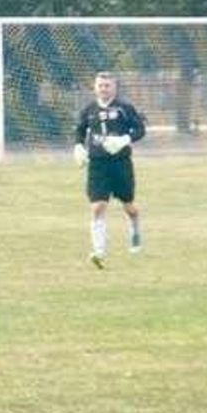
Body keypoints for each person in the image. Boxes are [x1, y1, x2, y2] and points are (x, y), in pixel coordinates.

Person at [73, 71, 146, 269]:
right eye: (100, 85)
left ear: (114, 87)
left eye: (107, 85)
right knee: (97, 207)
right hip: (98, 164)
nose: (104, 89)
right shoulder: (89, 110)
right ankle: (99, 251)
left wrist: (124, 139)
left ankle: (135, 228)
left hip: (121, 164)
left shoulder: (124, 108)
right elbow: (79, 131)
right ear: (95, 87)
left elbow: (140, 130)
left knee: (129, 207)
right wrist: (79, 147)